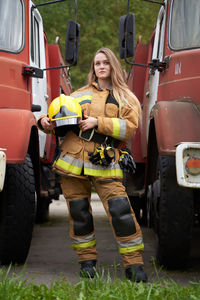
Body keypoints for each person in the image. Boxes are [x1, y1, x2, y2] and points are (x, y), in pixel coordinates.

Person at [38, 47, 147, 282]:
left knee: (120, 212)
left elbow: (130, 127)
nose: (101, 66)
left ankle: (134, 265)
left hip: (106, 162)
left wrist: (99, 122)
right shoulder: (78, 95)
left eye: (105, 62)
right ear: (93, 67)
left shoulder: (126, 97)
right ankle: (87, 263)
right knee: (79, 215)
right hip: (72, 162)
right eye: (97, 63)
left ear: (113, 66)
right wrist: (44, 121)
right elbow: (56, 116)